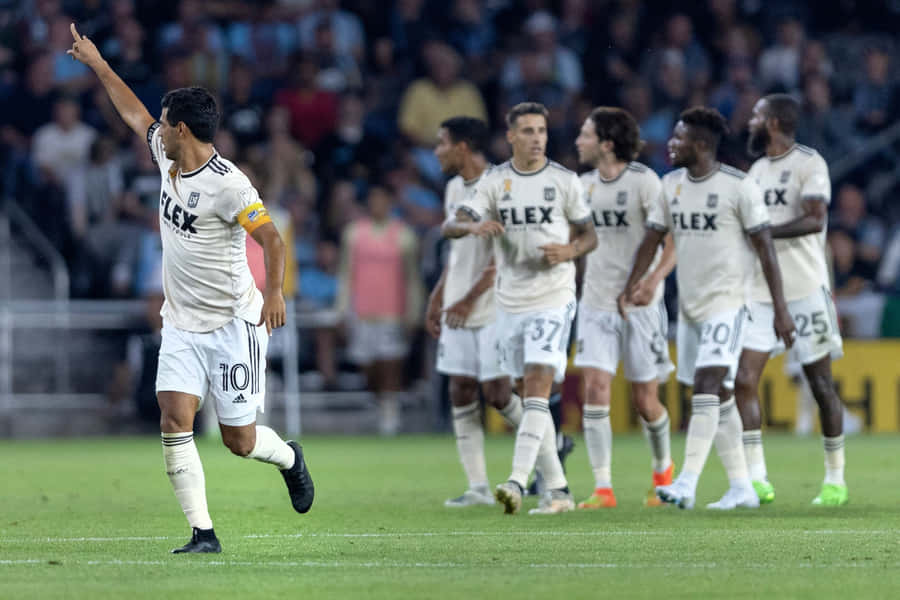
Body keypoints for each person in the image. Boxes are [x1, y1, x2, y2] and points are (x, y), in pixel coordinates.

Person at [68, 23, 313, 554]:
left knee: (239, 441)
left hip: (232, 324)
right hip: (181, 320)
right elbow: (134, 113)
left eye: (165, 121)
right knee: (174, 418)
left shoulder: (230, 184)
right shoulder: (166, 152)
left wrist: (274, 294)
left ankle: (290, 458)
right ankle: (203, 534)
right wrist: (100, 66)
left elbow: (270, 239)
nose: (156, 127)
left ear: (182, 128)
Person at [620, 106, 795, 510]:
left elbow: (766, 251)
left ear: (700, 145)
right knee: (721, 397)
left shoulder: (739, 187)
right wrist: (632, 284)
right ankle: (742, 486)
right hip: (692, 308)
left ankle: (687, 482)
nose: (671, 143)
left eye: (679, 138)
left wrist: (781, 311)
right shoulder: (671, 186)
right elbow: (652, 239)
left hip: (731, 303)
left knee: (707, 385)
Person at [444, 102, 598, 515]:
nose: (536, 139)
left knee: (535, 390)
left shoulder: (564, 181)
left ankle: (515, 480)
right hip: (509, 302)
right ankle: (561, 491)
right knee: (518, 394)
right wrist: (472, 225)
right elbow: (450, 225)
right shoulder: (495, 182)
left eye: (542, 131)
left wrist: (569, 249)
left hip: (553, 298)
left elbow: (589, 237)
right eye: (527, 131)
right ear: (511, 137)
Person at [736, 94, 847, 506]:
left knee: (820, 385)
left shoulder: (809, 163)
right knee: (744, 379)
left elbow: (816, 218)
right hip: (760, 290)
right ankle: (756, 479)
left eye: (757, 116)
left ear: (776, 122)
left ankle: (835, 480)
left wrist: (765, 232)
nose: (750, 122)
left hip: (805, 288)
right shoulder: (756, 172)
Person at [572, 107, 676, 509]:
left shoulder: (645, 183)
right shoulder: (581, 186)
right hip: (596, 301)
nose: (578, 141)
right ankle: (603, 488)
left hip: (641, 305)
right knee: (594, 388)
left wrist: (650, 282)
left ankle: (662, 472)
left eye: (585, 134)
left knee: (644, 400)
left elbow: (671, 241)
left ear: (606, 143)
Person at [428, 116, 521, 507]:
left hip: (493, 305)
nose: (437, 151)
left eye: (442, 143)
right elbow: (458, 253)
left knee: (499, 393)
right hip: (458, 305)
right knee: (460, 388)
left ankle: (551, 447)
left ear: (462, 147)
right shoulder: (454, 188)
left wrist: (467, 299)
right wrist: (440, 294)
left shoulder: (501, 186)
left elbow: (506, 258)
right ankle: (478, 487)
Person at [336, 184, 423, 435]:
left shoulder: (404, 235)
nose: (378, 205)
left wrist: (413, 312)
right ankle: (379, 401)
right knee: (368, 366)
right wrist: (342, 310)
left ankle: (390, 414)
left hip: (392, 310)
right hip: (362, 309)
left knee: (390, 364)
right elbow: (345, 274)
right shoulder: (353, 233)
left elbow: (412, 277)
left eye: (382, 200)